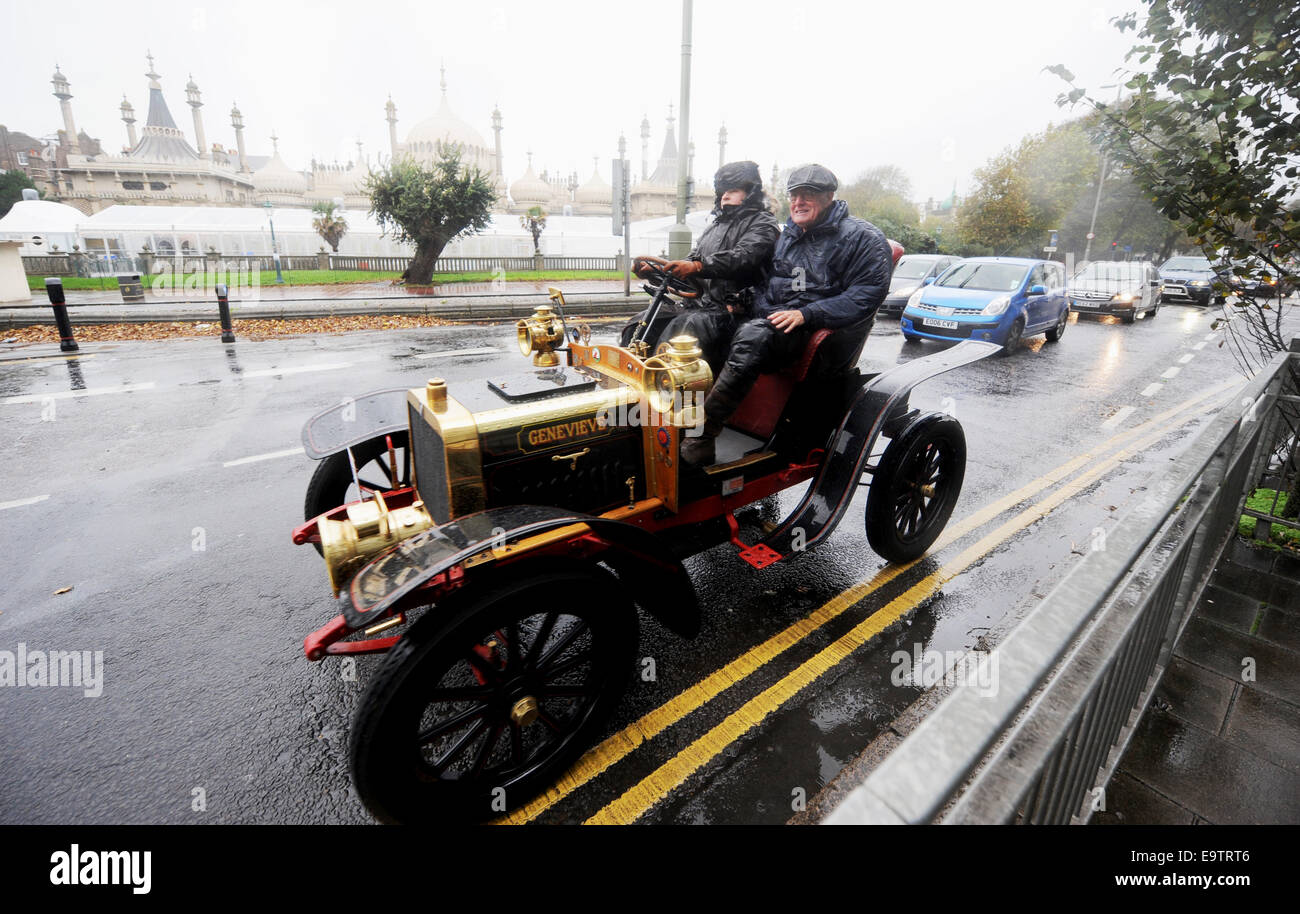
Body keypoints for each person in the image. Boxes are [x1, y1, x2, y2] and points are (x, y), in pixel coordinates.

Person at [680, 164, 896, 466]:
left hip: (822, 336)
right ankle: (671, 415)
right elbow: (771, 284)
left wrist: (807, 314)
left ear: (829, 196)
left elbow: (866, 294)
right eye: (795, 195)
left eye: (809, 195)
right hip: (777, 324)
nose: (799, 202)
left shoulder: (863, 238)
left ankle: (702, 437)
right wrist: (743, 300)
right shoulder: (790, 235)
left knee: (753, 335)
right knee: (702, 324)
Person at [620, 161, 779, 373]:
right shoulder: (714, 227)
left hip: (738, 311)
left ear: (750, 193)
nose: (725, 196)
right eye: (723, 191)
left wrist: (697, 266)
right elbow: (688, 266)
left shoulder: (763, 223)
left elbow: (743, 257)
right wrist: (655, 274)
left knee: (687, 328)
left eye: (733, 190)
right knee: (642, 322)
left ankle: (671, 390)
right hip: (702, 306)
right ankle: (629, 376)